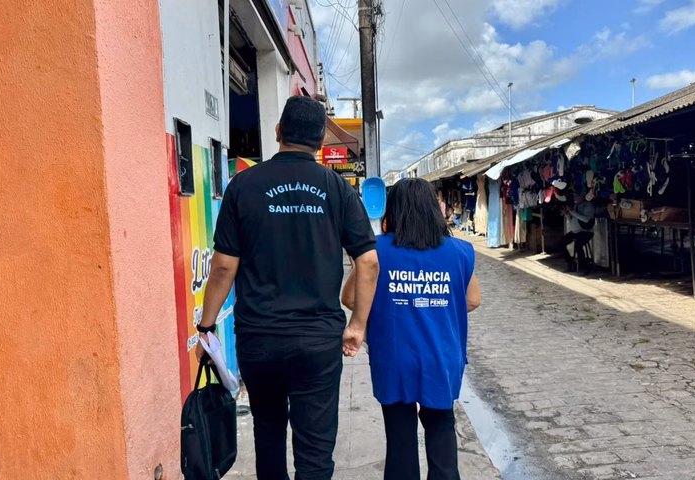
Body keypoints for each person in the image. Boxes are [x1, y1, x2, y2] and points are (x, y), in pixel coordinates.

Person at [195, 96, 380, 480]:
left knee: (268, 438)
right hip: (317, 342)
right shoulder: (338, 189)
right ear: (320, 143)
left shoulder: (243, 186)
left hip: (259, 341)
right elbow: (368, 262)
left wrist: (207, 329)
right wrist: (358, 325)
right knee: (314, 455)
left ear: (278, 132)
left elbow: (224, 266)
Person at [341, 178, 481, 480]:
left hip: (394, 359)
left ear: (394, 211)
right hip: (441, 358)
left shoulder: (376, 250)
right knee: (442, 432)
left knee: (400, 440)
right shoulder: (460, 251)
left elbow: (350, 298)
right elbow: (472, 301)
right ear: (434, 210)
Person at [561, 193, 595, 274]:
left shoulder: (588, 205)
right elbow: (572, 219)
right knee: (561, 243)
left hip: (585, 232)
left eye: (576, 196)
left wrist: (572, 212)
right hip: (575, 231)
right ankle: (571, 264)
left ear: (583, 196)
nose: (574, 198)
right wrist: (567, 214)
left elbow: (586, 219)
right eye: (574, 196)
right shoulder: (576, 205)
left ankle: (583, 268)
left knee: (578, 246)